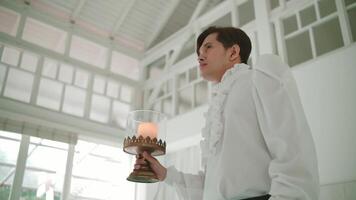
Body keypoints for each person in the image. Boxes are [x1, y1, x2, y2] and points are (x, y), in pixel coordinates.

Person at [135, 26, 319, 200]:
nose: (200, 57)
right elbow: (211, 188)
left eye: (208, 47)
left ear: (233, 52)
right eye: (199, 53)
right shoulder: (217, 107)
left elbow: (293, 155)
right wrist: (165, 174)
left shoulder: (259, 78)